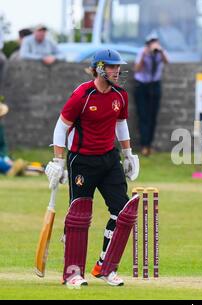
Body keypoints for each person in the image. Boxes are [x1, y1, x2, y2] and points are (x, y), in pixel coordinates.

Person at [44, 49, 140, 288]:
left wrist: (127, 154)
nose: (117, 70)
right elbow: (61, 128)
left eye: (118, 66)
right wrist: (58, 160)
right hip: (83, 160)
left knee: (123, 212)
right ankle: (73, 273)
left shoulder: (120, 94)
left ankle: (105, 267)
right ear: (98, 68)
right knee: (79, 216)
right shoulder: (82, 95)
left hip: (109, 159)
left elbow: (121, 124)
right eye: (111, 66)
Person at [133, 33, 169, 156]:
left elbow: (167, 62)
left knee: (153, 117)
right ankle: (144, 145)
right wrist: (144, 55)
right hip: (142, 85)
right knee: (143, 116)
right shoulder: (141, 52)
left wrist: (161, 51)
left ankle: (149, 145)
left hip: (155, 85)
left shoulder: (160, 53)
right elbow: (137, 69)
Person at [0, 101, 27, 176]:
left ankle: (15, 168)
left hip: (2, 156)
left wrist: (5, 156)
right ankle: (11, 170)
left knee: (7, 160)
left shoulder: (1, 128)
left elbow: (3, 145)